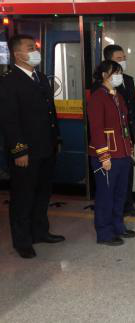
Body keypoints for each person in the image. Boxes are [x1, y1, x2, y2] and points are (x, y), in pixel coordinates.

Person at [0, 34, 65, 259]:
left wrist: (56, 140)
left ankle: (40, 232)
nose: (35, 51)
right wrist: (19, 150)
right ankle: (22, 241)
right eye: (30, 48)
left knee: (42, 193)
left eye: (35, 47)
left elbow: (50, 113)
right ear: (17, 54)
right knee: (23, 197)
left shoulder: (41, 77)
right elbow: (9, 120)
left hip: (46, 147)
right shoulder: (9, 82)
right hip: (26, 152)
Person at [87, 60, 135, 246]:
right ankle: (104, 233)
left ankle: (118, 226)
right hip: (107, 155)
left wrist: (130, 149)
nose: (118, 76)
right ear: (104, 75)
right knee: (105, 196)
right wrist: (104, 156)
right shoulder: (97, 97)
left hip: (122, 153)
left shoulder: (118, 97)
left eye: (119, 73)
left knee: (120, 194)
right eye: (114, 73)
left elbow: (124, 125)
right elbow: (96, 129)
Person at [103, 44, 135, 217]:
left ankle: (128, 205)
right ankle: (116, 210)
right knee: (116, 174)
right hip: (115, 138)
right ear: (109, 61)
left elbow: (133, 107)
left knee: (128, 169)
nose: (123, 61)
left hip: (129, 134)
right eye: (119, 59)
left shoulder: (128, 79)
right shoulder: (103, 84)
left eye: (124, 58)